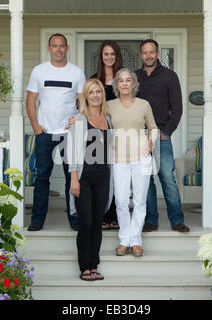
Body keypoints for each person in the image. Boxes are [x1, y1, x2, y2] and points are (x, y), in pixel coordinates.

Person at [26, 33, 86, 232]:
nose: (59, 49)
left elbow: (83, 103)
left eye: (62, 46)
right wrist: (35, 126)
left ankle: (74, 216)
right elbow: (30, 100)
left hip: (69, 134)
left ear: (67, 48)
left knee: (73, 177)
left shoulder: (76, 73)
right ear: (49, 48)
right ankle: (37, 219)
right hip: (45, 132)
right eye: (55, 46)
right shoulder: (39, 71)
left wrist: (76, 120)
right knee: (42, 176)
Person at [135, 39, 190, 233]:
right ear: (141, 55)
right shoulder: (134, 77)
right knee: (145, 179)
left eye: (151, 52)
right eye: (145, 52)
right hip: (139, 137)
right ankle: (151, 220)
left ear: (157, 53)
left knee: (167, 177)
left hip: (161, 135)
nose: (148, 55)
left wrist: (167, 131)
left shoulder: (169, 76)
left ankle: (177, 220)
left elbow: (177, 108)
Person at [108, 68, 158, 257]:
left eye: (128, 80)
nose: (124, 83)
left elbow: (153, 127)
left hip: (141, 158)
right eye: (120, 81)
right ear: (116, 85)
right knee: (120, 200)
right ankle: (124, 240)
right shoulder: (109, 105)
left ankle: (135, 241)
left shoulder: (144, 104)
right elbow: (95, 120)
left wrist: (151, 140)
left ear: (134, 84)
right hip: (118, 159)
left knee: (139, 201)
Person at [67, 78, 113, 281]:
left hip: (103, 178)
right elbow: (71, 152)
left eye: (98, 92)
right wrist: (74, 179)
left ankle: (94, 265)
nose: (95, 95)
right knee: (85, 222)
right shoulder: (78, 120)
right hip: (84, 179)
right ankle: (84, 266)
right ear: (85, 96)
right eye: (91, 92)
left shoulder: (107, 119)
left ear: (102, 95)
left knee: (97, 223)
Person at [90, 40, 123, 230]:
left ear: (117, 56)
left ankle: (116, 215)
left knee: (118, 175)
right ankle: (103, 214)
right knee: (104, 175)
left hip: (120, 131)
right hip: (100, 132)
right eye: (106, 54)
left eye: (112, 54)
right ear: (101, 57)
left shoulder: (123, 79)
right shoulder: (94, 79)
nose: (109, 57)